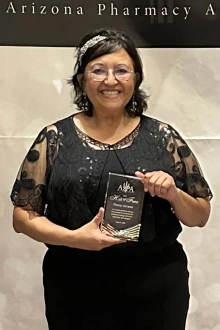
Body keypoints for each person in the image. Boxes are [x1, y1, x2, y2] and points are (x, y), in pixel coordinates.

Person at [10, 27, 212, 330]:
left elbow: (200, 215)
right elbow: (22, 217)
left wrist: (173, 194)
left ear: (136, 78)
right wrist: (76, 239)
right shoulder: (54, 139)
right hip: (74, 285)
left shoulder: (163, 137)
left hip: (157, 285)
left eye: (121, 70)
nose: (110, 80)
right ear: (81, 80)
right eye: (98, 70)